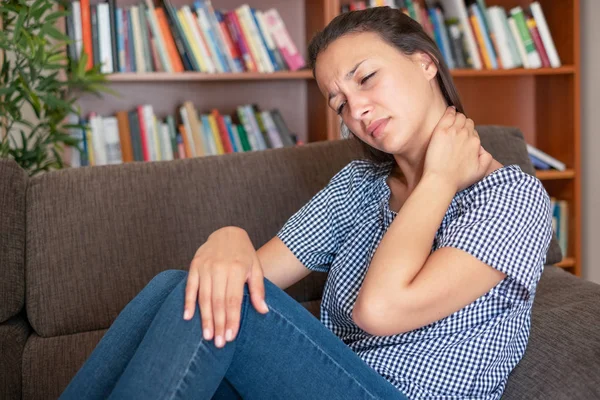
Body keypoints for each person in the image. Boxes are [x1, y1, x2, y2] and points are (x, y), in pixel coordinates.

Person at [59, 7, 553, 400]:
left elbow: (380, 309)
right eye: (337, 102)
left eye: (366, 77)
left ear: (425, 62)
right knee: (182, 287)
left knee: (227, 304)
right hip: (326, 380)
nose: (355, 109)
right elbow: (248, 275)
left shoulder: (512, 196)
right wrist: (226, 237)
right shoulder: (359, 184)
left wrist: (440, 177)